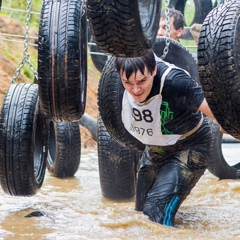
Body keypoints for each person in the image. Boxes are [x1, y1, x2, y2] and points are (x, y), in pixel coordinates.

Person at [115, 50, 220, 227]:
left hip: (191, 146)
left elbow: (216, 112)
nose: (135, 89)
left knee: (155, 213)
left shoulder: (176, 82)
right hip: (156, 149)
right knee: (140, 214)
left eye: (142, 81)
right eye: (128, 83)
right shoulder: (121, 79)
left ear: (154, 70)